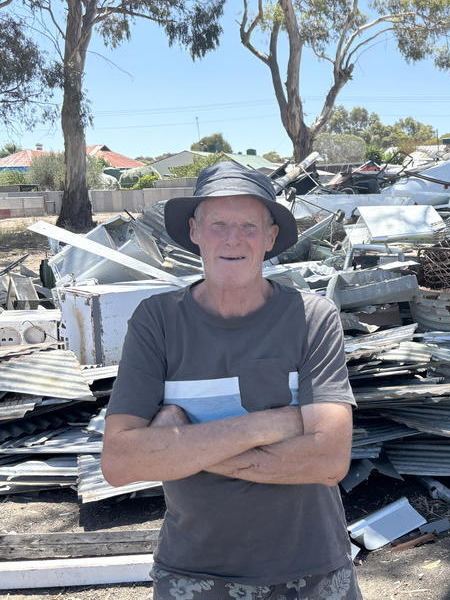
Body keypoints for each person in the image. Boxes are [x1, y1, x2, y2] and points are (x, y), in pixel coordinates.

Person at [101, 161, 361, 599]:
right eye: (218, 224)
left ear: (271, 236)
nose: (233, 239)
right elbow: (120, 462)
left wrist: (177, 445)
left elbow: (330, 459)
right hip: (194, 574)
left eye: (248, 225)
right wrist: (277, 423)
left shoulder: (312, 317)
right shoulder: (158, 322)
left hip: (315, 569)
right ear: (195, 231)